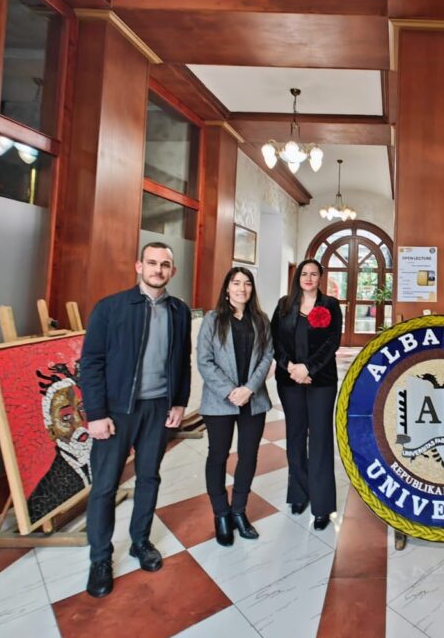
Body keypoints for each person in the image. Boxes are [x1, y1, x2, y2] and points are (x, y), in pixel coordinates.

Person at [78, 242, 191, 598]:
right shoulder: (110, 308)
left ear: (173, 271)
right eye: (152, 263)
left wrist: (179, 402)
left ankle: (140, 541)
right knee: (105, 485)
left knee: (149, 477)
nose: (158, 270)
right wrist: (96, 414)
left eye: (165, 265)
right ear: (139, 266)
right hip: (117, 410)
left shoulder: (180, 311)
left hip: (158, 408)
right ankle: (100, 558)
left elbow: (183, 361)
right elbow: (91, 363)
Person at [197, 267, 274, 546]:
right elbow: (204, 361)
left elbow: (267, 356)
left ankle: (239, 511)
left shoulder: (261, 320)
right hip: (220, 401)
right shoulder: (213, 319)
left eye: (247, 283)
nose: (242, 288)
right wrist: (231, 392)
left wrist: (249, 389)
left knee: (248, 455)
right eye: (236, 283)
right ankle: (221, 513)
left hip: (253, 399)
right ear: (227, 288)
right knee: (218, 455)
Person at [270, 259, 343, 531]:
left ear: (320, 277)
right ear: (298, 277)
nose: (309, 278)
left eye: (314, 274)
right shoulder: (284, 305)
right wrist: (292, 367)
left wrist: (308, 368)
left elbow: (332, 342)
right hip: (289, 380)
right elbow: (274, 341)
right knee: (296, 435)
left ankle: (322, 505)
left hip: (321, 381)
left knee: (321, 438)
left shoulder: (330, 305)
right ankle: (299, 494)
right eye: (304, 274)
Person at [27, 364, 92, 524]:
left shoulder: (109, 457)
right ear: (52, 430)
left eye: (82, 408)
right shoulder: (45, 495)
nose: (80, 421)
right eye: (66, 417)